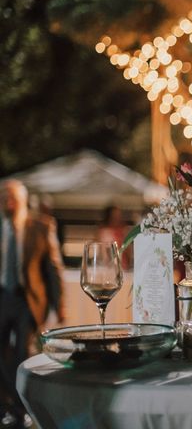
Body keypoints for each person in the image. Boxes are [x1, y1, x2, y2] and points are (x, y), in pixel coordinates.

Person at [0, 180, 65, 427]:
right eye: (3, 197)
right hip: (2, 298)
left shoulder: (40, 226)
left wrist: (60, 305)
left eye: (12, 197)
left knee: (21, 354)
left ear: (23, 200)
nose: (7, 202)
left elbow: (54, 269)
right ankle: (6, 405)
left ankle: (20, 408)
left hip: (28, 300)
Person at [97, 205, 129, 270]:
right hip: (107, 267)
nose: (117, 217)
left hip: (123, 267)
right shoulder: (103, 231)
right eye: (114, 215)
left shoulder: (123, 229)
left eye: (119, 215)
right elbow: (101, 251)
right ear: (109, 216)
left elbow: (128, 249)